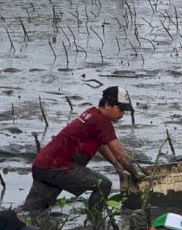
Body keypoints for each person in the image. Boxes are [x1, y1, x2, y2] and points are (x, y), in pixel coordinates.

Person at [23, 86, 143, 221]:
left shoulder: (92, 114)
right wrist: (136, 175)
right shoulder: (101, 121)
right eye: (120, 109)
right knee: (103, 185)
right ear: (108, 105)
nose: (122, 114)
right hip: (59, 167)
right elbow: (121, 155)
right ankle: (95, 223)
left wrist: (116, 165)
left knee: (33, 211)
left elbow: (101, 144)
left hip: (42, 166)